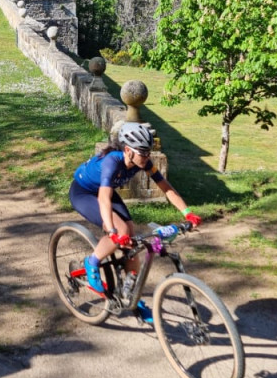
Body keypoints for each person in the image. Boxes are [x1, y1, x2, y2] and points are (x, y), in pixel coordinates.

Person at [69, 122, 201, 323]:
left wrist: (188, 213)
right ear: (128, 151)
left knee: (130, 233)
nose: (147, 156)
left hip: (106, 191)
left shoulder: (144, 162)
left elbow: (166, 188)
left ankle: (132, 295)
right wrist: (112, 230)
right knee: (120, 231)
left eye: (149, 152)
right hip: (84, 193)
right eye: (142, 152)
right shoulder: (112, 162)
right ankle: (92, 262)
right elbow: (104, 198)